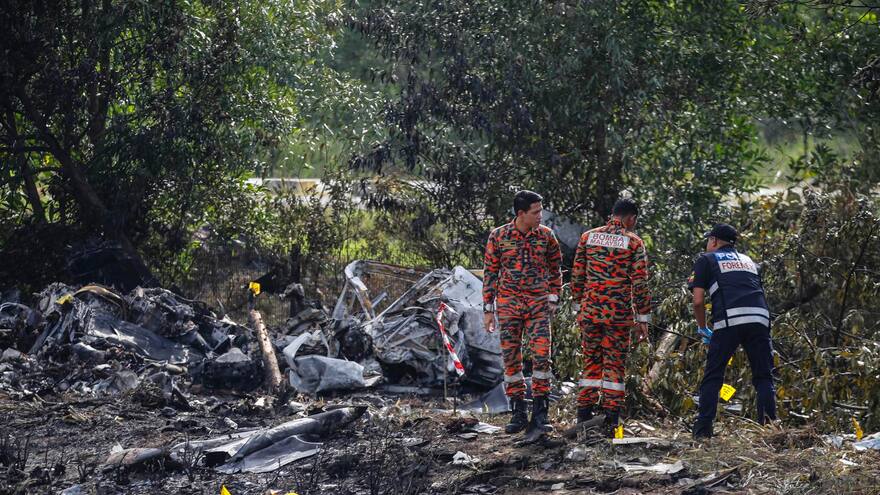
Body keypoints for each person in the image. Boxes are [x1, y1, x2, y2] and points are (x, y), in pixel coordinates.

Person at [483, 190, 562, 439]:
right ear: (521, 214)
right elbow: (490, 273)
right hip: (508, 305)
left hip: (538, 306)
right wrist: (488, 309)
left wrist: (553, 296)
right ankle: (517, 412)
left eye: (541, 210)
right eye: (535, 212)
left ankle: (540, 413)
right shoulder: (498, 236)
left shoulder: (547, 236)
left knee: (541, 358)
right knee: (511, 360)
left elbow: (555, 267)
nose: (540, 216)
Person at [570, 198, 651, 436]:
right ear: (631, 219)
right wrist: (643, 317)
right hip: (618, 315)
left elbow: (577, 274)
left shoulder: (588, 236)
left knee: (590, 363)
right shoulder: (633, 242)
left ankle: (583, 417)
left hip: (590, 312)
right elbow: (640, 282)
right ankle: (612, 422)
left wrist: (578, 305)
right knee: (615, 366)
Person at [688, 223, 777, 439]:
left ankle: (703, 431)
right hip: (760, 319)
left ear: (715, 241)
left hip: (730, 320)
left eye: (709, 240)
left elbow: (698, 301)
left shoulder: (706, 260)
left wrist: (703, 328)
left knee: (714, 376)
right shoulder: (749, 262)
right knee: (764, 377)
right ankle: (769, 430)